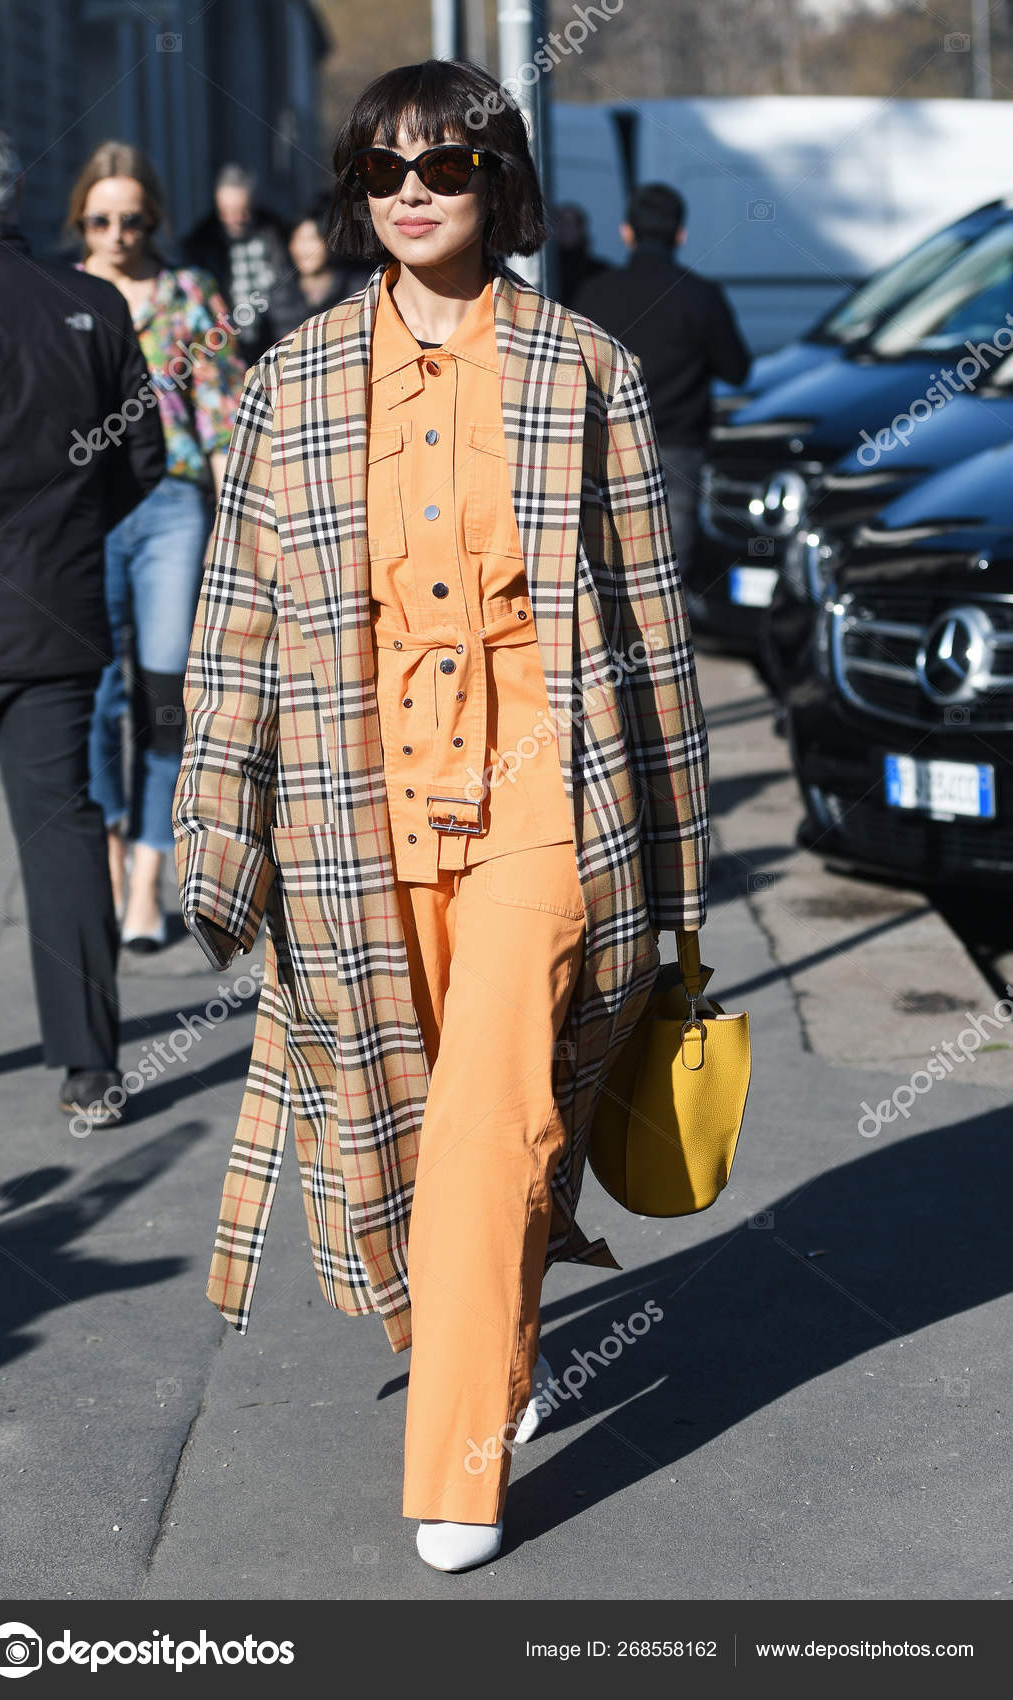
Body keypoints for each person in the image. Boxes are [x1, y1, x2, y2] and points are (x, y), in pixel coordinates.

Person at [173, 59, 709, 1574]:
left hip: (548, 790)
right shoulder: (291, 378)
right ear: (354, 193)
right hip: (358, 802)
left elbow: (650, 633)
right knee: (407, 1123)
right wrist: (219, 830)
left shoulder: (581, 369)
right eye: (382, 168)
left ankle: (455, 1470)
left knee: (491, 1112)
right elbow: (240, 629)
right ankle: (496, 1346)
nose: (413, 191)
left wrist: (677, 875)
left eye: (448, 164)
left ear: (499, 183)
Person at [0, 122, 166, 1125]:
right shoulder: (88, 303)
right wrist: (64, 538)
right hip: (54, 614)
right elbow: (140, 465)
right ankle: (90, 1066)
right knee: (64, 830)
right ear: (20, 192)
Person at [70, 142, 246, 950]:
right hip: (83, 510)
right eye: (100, 218)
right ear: (81, 219)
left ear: (153, 218)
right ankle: (108, 848)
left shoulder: (187, 294)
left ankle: (149, 871)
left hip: (173, 503)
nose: (116, 233)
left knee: (165, 690)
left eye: (131, 217)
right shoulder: (60, 296)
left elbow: (215, 412)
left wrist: (238, 523)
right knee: (97, 693)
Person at [575, 182, 751, 590]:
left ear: (626, 232)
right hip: (678, 449)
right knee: (669, 573)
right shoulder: (701, 296)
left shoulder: (593, 293)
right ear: (680, 234)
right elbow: (737, 370)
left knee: (611, 565)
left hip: (608, 446)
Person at [183, 164, 290, 363]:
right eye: (228, 212)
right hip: (225, 346)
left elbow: (288, 293)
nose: (237, 219)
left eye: (244, 211)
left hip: (272, 340)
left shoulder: (275, 233)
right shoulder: (201, 244)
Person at [262, 195, 369, 347]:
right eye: (298, 239)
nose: (304, 249)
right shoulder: (281, 292)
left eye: (312, 239)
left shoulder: (358, 288)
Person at [551, 201, 608, 305]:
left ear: (581, 229)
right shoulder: (549, 273)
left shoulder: (599, 271)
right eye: (560, 224)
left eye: (570, 224)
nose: (565, 229)